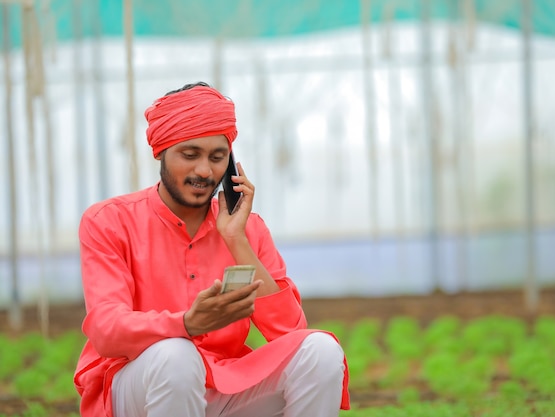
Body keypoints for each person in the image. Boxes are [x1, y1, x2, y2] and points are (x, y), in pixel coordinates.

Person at [73, 82, 350, 417]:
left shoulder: (247, 227)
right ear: (160, 151)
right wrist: (187, 323)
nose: (204, 171)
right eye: (190, 155)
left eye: (217, 158)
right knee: (176, 355)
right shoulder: (109, 222)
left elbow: (290, 331)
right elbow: (107, 330)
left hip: (224, 383)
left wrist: (236, 238)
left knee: (320, 351)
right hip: (137, 386)